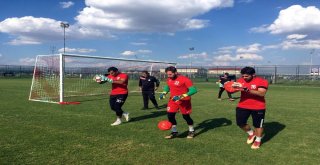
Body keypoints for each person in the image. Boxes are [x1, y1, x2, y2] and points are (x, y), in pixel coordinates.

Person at [232, 66, 268, 149]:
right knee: (240, 123)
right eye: (243, 76)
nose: (244, 78)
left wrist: (246, 89)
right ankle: (252, 134)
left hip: (258, 106)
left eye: (246, 76)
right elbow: (234, 90)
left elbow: (261, 93)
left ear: (253, 75)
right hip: (243, 105)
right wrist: (230, 86)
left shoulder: (262, 81)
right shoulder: (241, 80)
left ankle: (258, 140)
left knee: (258, 125)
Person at [159, 66, 197, 139]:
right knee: (170, 115)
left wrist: (181, 96)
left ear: (175, 72)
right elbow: (168, 86)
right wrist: (164, 93)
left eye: (170, 74)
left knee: (186, 117)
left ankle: (191, 131)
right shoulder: (169, 79)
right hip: (173, 100)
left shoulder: (185, 79)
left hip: (184, 101)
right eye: (167, 74)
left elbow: (193, 90)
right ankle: (174, 132)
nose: (168, 76)